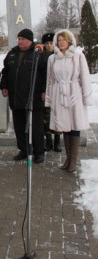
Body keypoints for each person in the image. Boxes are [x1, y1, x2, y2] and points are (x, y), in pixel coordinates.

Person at [45, 29, 92, 173]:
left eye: (64, 40)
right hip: (59, 94)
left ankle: (73, 160)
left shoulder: (78, 56)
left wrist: (86, 96)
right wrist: (49, 99)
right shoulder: (52, 59)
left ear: (70, 41)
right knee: (64, 127)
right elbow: (50, 81)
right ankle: (67, 158)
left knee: (75, 126)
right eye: (59, 41)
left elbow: (84, 77)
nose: (61, 43)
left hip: (74, 93)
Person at [0, 28, 47, 163]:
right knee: (19, 126)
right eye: (19, 39)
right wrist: (4, 86)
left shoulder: (38, 54)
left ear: (30, 40)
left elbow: (45, 74)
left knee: (36, 127)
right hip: (16, 98)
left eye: (23, 39)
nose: (20, 42)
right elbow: (6, 71)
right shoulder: (12, 53)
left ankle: (38, 152)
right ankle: (24, 150)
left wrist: (44, 90)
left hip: (33, 98)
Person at [41, 32, 61, 153]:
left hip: (57, 91)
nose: (49, 46)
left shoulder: (59, 56)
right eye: (47, 43)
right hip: (45, 91)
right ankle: (48, 140)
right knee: (45, 118)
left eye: (51, 43)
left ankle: (57, 141)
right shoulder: (41, 56)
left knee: (57, 117)